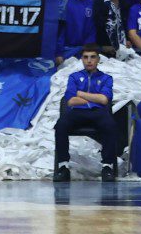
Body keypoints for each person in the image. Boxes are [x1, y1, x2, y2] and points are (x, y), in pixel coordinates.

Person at [53, 44, 118, 183]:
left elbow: (104, 99)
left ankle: (107, 167)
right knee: (60, 126)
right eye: (86, 57)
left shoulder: (107, 78)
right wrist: (94, 97)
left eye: (93, 57)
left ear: (98, 59)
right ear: (81, 59)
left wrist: (80, 94)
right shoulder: (74, 77)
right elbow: (71, 101)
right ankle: (63, 167)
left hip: (98, 112)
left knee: (110, 125)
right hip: (77, 112)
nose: (89, 60)